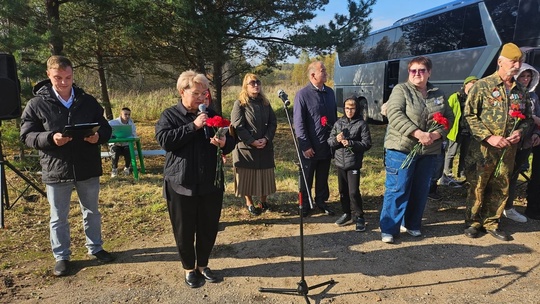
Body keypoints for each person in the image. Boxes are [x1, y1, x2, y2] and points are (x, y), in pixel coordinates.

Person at [20, 55, 114, 277]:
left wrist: (98, 136)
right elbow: (26, 135)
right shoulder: (36, 104)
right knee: (58, 216)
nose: (64, 82)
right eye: (58, 78)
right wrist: (50, 138)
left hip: (87, 166)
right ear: (48, 75)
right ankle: (62, 257)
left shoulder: (87, 100)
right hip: (56, 168)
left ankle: (96, 248)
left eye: (68, 77)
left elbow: (106, 128)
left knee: (92, 211)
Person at [155, 70, 234, 288]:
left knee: (208, 226)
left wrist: (223, 143)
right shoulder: (170, 115)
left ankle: (203, 265)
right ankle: (189, 268)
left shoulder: (212, 114)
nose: (202, 98)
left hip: (210, 181)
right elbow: (165, 141)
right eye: (197, 93)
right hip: (181, 183)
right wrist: (194, 126)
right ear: (183, 92)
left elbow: (230, 141)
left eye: (204, 93)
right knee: (184, 229)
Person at [379, 56, 454, 243]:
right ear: (409, 73)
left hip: (428, 151)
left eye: (422, 70)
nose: (417, 74)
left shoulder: (438, 93)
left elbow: (449, 118)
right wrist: (419, 134)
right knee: (397, 189)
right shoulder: (401, 90)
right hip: (402, 149)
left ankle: (411, 224)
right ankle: (389, 228)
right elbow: (395, 114)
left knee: (420, 190)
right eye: (413, 70)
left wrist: (435, 135)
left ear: (429, 72)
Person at [463, 43, 533, 241]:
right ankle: (473, 222)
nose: (517, 65)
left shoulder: (520, 90)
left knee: (501, 184)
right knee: (478, 184)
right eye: (513, 61)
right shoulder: (483, 86)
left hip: (508, 150)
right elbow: (469, 115)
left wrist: (520, 132)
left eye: (520, 61)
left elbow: (527, 118)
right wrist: (488, 136)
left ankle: (492, 222)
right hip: (484, 149)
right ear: (500, 62)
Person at [293, 61, 337, 217]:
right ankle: (305, 204)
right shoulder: (302, 95)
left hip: (326, 144)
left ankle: (321, 201)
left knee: (323, 176)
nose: (326, 73)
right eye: (322, 71)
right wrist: (305, 145)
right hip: (310, 146)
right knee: (307, 176)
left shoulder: (330, 93)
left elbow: (334, 118)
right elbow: (298, 123)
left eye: (325, 70)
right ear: (313, 75)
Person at [230, 73, 277, 216]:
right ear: (246, 86)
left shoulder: (265, 103)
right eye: (252, 83)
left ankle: (263, 201)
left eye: (258, 82)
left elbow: (273, 122)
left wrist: (266, 138)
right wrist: (252, 141)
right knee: (247, 178)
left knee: (265, 177)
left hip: (264, 147)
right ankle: (249, 202)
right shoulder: (240, 103)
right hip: (246, 149)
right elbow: (237, 125)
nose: (256, 85)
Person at [328, 96, 372, 231]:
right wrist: (336, 139)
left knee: (353, 192)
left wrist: (351, 143)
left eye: (352, 108)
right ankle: (347, 213)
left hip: (353, 163)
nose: (349, 111)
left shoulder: (361, 124)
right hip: (340, 163)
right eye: (347, 108)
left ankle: (359, 216)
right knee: (342, 192)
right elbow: (329, 141)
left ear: (357, 109)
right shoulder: (338, 123)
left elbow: (367, 144)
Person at [505, 63, 540, 222]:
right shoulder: (509, 93)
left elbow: (537, 117)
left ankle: (509, 207)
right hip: (510, 139)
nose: (525, 79)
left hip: (526, 141)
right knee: (503, 174)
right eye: (522, 76)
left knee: (514, 174)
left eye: (528, 76)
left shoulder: (533, 96)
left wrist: (536, 133)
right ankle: (495, 208)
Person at [441, 76, 478, 182]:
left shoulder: (474, 98)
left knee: (465, 153)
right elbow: (447, 112)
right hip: (456, 130)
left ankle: (461, 172)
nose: (474, 85)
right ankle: (447, 172)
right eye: (472, 83)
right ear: (466, 84)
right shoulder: (455, 97)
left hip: (468, 131)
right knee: (451, 152)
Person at [108, 107, 136, 177]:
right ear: (121, 114)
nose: (127, 116)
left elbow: (134, 135)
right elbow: (108, 134)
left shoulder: (131, 124)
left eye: (129, 114)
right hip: (116, 144)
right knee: (115, 151)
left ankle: (127, 168)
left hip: (126, 144)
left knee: (128, 151)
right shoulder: (112, 123)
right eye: (125, 114)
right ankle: (114, 169)